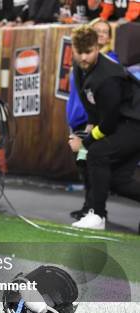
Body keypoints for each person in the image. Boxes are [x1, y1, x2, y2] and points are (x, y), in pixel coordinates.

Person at [67, 25, 140, 230]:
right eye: (79, 52)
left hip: (135, 122)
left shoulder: (108, 77)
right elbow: (91, 104)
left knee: (97, 153)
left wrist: (85, 142)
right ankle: (94, 212)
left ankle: (97, 216)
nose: (83, 57)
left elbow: (108, 123)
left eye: (88, 52)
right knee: (118, 180)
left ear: (97, 47)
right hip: (123, 120)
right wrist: (88, 129)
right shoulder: (79, 65)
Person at [66, 19, 119, 221]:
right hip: (78, 121)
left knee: (92, 164)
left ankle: (95, 209)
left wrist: (91, 124)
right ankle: (89, 206)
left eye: (105, 32)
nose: (101, 34)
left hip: (93, 123)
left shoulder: (109, 64)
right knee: (83, 165)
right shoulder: (80, 63)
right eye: (97, 31)